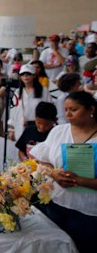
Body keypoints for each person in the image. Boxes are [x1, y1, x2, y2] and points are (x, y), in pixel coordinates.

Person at [29, 91, 97, 253]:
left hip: (88, 213)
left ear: (91, 110)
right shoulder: (59, 131)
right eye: (66, 110)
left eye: (74, 109)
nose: (68, 114)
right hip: (56, 205)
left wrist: (80, 180)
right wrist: (53, 174)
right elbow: (42, 159)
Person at [7, 64, 52, 142]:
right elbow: (13, 112)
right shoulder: (17, 92)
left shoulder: (43, 91)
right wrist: (11, 130)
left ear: (34, 76)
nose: (25, 76)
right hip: (22, 125)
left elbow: (49, 109)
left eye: (28, 74)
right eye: (23, 74)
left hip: (39, 126)